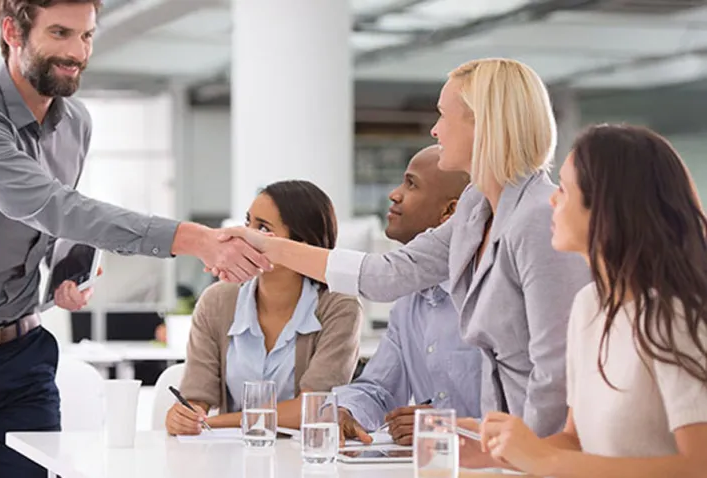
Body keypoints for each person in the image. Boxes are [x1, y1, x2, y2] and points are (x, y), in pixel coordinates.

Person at [0, 1, 270, 477]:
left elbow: (57, 222)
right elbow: (50, 205)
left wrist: (67, 266)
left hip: (20, 355)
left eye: (86, 36)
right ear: (12, 32)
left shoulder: (75, 123)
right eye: (60, 33)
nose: (77, 52)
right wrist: (195, 238)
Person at [215, 58, 592, 454]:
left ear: (484, 124)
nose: (434, 130)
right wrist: (268, 245)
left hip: (535, 451)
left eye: (443, 116)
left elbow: (558, 368)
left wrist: (528, 454)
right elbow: (386, 275)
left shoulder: (537, 218)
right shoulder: (476, 208)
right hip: (499, 451)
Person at [479, 125, 707, 477]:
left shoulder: (676, 315)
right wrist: (495, 453)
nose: (552, 199)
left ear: (606, 208)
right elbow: (576, 441)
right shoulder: (589, 305)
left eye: (565, 190)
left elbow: (698, 466)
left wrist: (541, 460)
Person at [165, 180, 363, 435]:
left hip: (305, 459)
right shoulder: (217, 301)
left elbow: (314, 407)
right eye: (248, 223)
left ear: (300, 243)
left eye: (262, 228)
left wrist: (213, 423)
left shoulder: (340, 306)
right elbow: (196, 399)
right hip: (233, 458)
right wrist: (184, 416)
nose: (245, 236)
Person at [334, 145, 482, 447]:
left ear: (450, 213)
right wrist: (345, 411)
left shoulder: (486, 299)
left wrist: (443, 428)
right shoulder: (410, 302)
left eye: (411, 184)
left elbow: (526, 416)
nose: (394, 194)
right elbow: (379, 388)